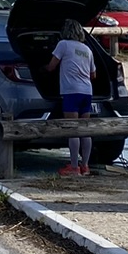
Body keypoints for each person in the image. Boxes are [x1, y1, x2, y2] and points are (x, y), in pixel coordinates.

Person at [49, 18, 95, 176]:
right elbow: (93, 74)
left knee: (73, 129)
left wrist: (43, 69)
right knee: (85, 129)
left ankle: (74, 167)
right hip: (87, 91)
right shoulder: (87, 49)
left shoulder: (63, 45)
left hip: (71, 91)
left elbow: (52, 66)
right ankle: (85, 166)